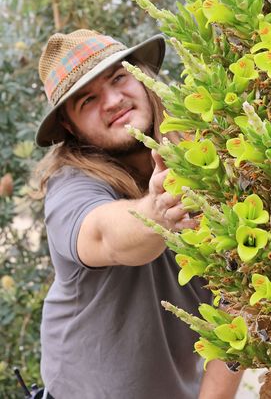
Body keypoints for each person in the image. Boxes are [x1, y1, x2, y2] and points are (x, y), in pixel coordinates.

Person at [35, 29, 243, 399]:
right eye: (88, 100)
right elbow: (106, 236)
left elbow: (237, 306)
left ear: (141, 75)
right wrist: (159, 212)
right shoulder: (70, 187)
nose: (113, 100)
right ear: (69, 125)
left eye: (119, 77)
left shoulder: (205, 155)